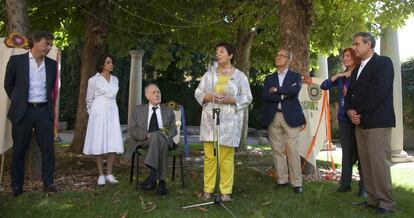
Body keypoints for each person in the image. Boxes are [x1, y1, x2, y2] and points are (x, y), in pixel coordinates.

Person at [345, 32, 396, 215]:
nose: (354, 47)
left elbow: (379, 92)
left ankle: (386, 203)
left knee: (378, 163)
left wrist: (358, 112)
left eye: (357, 44)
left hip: (377, 121)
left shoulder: (383, 63)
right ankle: (373, 199)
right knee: (366, 163)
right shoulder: (358, 68)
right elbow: (350, 93)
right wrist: (349, 111)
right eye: (354, 44)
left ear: (369, 44)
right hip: (359, 122)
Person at [194, 42, 252, 202]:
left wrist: (232, 99)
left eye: (221, 51)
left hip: (229, 122)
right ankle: (208, 190)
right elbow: (198, 92)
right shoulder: (209, 74)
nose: (218, 54)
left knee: (226, 158)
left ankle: (225, 192)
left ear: (230, 55)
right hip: (209, 121)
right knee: (209, 157)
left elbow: (248, 97)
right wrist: (209, 97)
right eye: (216, 52)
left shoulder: (240, 76)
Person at [4, 30, 57, 196]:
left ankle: (48, 184)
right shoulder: (16, 61)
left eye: (50, 45)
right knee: (19, 150)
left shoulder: (52, 64)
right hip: (23, 112)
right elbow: (8, 85)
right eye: (45, 44)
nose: (48, 48)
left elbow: (50, 88)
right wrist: (19, 101)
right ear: (35, 42)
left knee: (48, 150)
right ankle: (17, 186)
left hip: (43, 111)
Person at [320, 48, 367, 197]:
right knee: (346, 153)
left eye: (348, 56)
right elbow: (324, 86)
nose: (344, 58)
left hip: (359, 118)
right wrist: (340, 74)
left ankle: (363, 188)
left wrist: (351, 76)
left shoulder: (362, 72)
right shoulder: (341, 77)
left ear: (355, 57)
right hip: (343, 119)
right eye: (343, 56)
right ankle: (345, 185)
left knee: (361, 153)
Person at [261, 49, 305, 194]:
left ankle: (297, 183)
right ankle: (282, 180)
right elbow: (266, 95)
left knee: (292, 150)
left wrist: (276, 90)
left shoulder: (295, 76)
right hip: (274, 117)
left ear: (289, 60)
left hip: (291, 117)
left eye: (282, 55)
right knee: (277, 150)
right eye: (277, 55)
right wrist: (283, 93)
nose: (278, 57)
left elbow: (294, 91)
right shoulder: (269, 78)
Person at [125, 83, 177, 196]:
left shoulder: (168, 110)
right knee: (156, 136)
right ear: (147, 96)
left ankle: (153, 178)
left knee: (159, 137)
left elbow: (174, 129)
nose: (157, 94)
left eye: (158, 92)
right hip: (144, 140)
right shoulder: (138, 110)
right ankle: (161, 183)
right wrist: (146, 134)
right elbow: (132, 129)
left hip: (164, 139)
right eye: (153, 92)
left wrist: (166, 134)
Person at [83, 54, 124, 185]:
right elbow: (89, 100)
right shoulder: (93, 80)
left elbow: (114, 96)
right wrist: (93, 114)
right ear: (102, 64)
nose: (111, 64)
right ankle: (100, 174)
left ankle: (109, 173)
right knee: (98, 142)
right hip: (98, 113)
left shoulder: (115, 79)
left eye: (112, 62)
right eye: (108, 62)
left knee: (113, 141)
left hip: (112, 111)